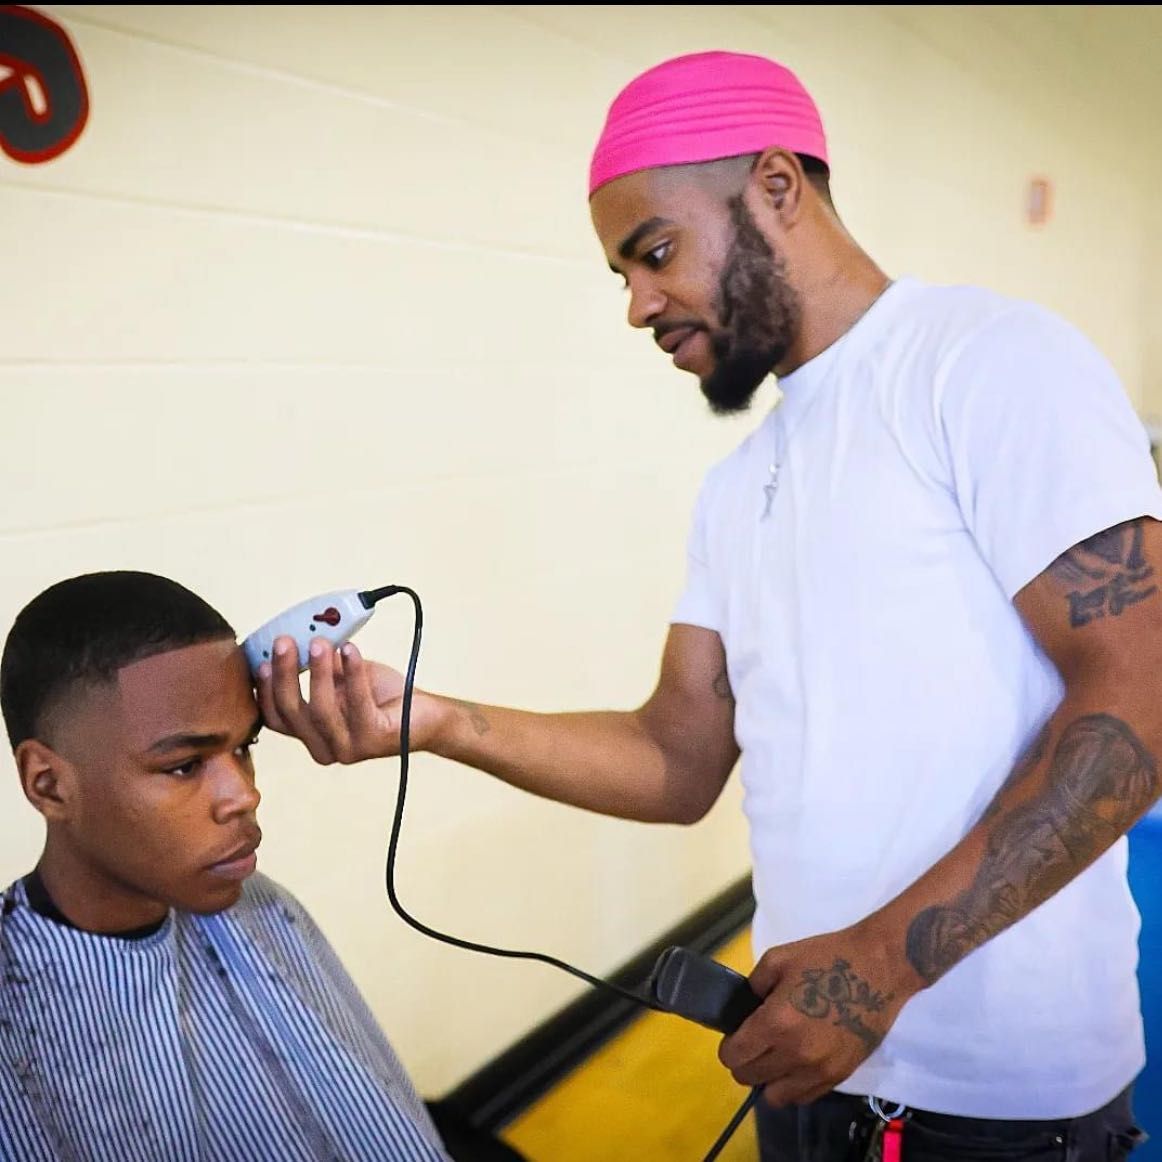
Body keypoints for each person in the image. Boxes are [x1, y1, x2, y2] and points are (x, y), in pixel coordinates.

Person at [256, 50, 1162, 1159]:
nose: (638, 303)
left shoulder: (984, 364)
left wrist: (881, 965)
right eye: (622, 274)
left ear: (776, 186)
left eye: (655, 251)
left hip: (1000, 1111)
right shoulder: (739, 486)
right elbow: (675, 756)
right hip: (800, 1062)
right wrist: (429, 721)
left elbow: (1142, 691)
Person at [0, 570, 453, 1162]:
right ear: (49, 784)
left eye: (244, 748)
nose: (243, 794)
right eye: (185, 765)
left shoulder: (264, 908)